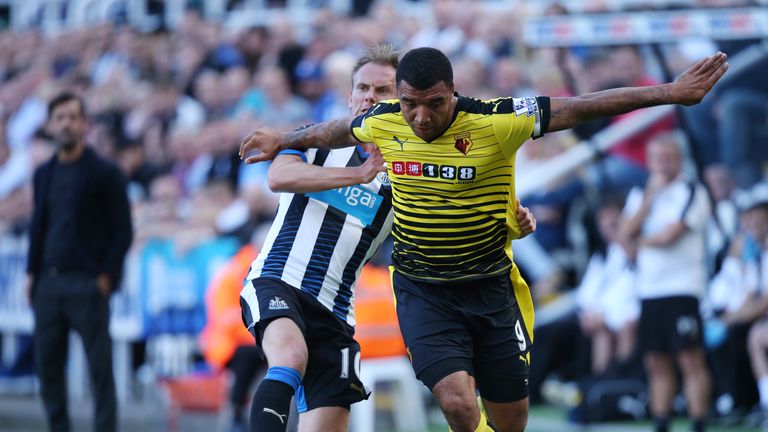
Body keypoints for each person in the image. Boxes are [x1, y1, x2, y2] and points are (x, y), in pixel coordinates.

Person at [240, 46, 727, 432]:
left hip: (476, 289)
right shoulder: (364, 129)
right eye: (370, 92)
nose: (419, 117)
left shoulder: (493, 121)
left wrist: (670, 92)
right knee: (452, 402)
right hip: (406, 288)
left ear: (450, 92)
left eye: (386, 92)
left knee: (509, 419)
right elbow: (304, 153)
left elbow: (579, 109)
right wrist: (286, 141)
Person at [239, 44, 538, 432]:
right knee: (290, 356)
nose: (369, 98)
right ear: (349, 97)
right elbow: (279, 178)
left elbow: (462, 212)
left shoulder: (412, 169)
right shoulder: (311, 141)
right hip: (279, 279)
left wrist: (516, 221)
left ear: (404, 103)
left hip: (337, 310)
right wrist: (359, 174)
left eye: (382, 92)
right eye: (362, 88)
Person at [26, 92, 133, 432]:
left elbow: (123, 230)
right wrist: (31, 273)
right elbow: (38, 224)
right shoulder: (43, 173)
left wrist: (106, 276)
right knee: (48, 369)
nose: (66, 123)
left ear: (84, 124)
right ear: (50, 125)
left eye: (73, 117)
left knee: (99, 369)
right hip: (48, 283)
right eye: (60, 117)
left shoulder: (105, 172)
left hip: (88, 284)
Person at [620, 131, 712, 432]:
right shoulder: (641, 194)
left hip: (683, 287)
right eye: (657, 158)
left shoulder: (692, 191)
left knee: (689, 358)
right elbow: (623, 234)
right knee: (656, 361)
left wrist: (638, 241)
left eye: (668, 157)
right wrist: (649, 199)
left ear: (679, 159)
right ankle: (661, 422)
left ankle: (698, 422)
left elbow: (670, 235)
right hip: (649, 290)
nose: (662, 164)